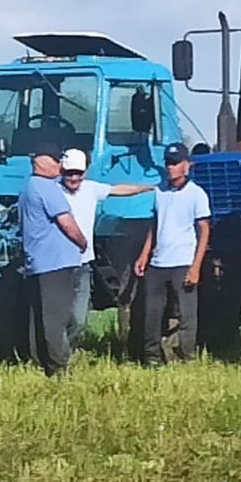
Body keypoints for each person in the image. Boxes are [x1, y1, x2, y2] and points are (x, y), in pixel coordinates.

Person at [58, 148, 155, 348]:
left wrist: (149, 188)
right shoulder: (52, 192)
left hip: (83, 263)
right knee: (56, 314)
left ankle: (64, 349)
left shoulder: (91, 189)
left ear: (84, 172)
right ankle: (56, 356)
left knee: (80, 318)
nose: (74, 178)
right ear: (61, 171)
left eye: (78, 173)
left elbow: (118, 189)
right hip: (59, 263)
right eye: (69, 173)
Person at [135, 142, 211, 365]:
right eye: (168, 162)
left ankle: (185, 356)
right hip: (158, 262)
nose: (171, 167)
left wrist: (196, 266)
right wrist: (144, 254)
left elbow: (204, 230)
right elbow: (156, 223)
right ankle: (152, 358)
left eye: (176, 163)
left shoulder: (197, 194)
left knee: (187, 314)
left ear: (187, 165)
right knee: (152, 312)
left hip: (183, 261)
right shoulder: (160, 191)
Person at [18, 141, 88, 375]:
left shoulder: (29, 187)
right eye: (56, 160)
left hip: (38, 262)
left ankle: (39, 362)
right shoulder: (46, 188)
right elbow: (66, 223)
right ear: (42, 161)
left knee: (39, 316)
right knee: (55, 318)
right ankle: (57, 366)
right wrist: (83, 242)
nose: (60, 165)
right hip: (55, 263)